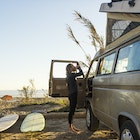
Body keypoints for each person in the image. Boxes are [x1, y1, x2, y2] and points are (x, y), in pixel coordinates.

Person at [66, 63, 83, 134]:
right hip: (73, 95)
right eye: (72, 66)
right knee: (71, 111)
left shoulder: (69, 75)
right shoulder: (71, 75)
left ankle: (72, 126)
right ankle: (70, 127)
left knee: (72, 111)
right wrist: (78, 67)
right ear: (70, 68)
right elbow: (81, 73)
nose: (74, 67)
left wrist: (76, 69)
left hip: (72, 94)